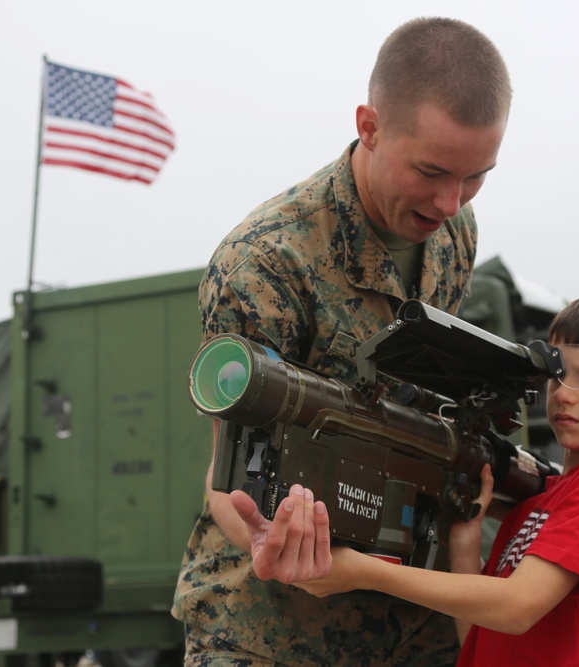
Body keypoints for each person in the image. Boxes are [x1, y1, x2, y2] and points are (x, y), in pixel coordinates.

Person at [171, 16, 512, 667]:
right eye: (433, 170)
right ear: (370, 126)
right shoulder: (267, 261)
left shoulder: (456, 231)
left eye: (477, 176)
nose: (450, 201)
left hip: (411, 622)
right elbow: (226, 481)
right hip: (271, 629)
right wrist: (277, 539)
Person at [236, 288, 579, 666]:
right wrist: (467, 543)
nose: (565, 395)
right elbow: (481, 631)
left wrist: (365, 572)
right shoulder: (543, 502)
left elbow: (517, 608)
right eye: (558, 378)